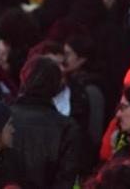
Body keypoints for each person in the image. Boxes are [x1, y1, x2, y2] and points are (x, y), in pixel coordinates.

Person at [9, 56, 83, 189]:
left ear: (24, 79)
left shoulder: (5, 117)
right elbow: (66, 179)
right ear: (56, 86)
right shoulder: (67, 127)